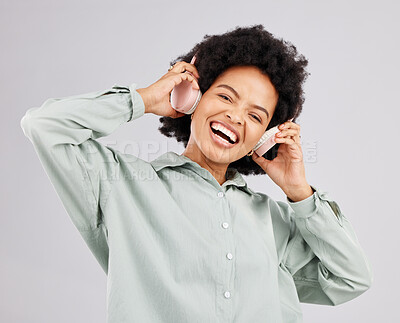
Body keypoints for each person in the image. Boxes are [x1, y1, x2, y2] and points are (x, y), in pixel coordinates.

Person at [20, 25, 373, 323]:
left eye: (255, 116)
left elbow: (350, 278)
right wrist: (143, 99)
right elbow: (45, 126)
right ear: (194, 99)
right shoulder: (121, 185)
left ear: (264, 136)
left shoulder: (273, 220)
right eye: (225, 97)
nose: (236, 117)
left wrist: (299, 191)